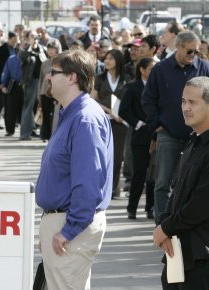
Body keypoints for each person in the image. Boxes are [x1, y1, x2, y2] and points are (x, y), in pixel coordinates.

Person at [153, 76, 209, 289]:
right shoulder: (196, 141)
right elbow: (177, 193)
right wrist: (164, 225)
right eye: (183, 101)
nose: (185, 107)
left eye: (192, 102)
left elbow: (201, 206)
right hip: (177, 249)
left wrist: (165, 228)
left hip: (201, 255)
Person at [36, 49, 113, 290]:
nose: (48, 77)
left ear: (72, 78)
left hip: (71, 225)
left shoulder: (84, 119)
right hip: (63, 223)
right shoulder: (73, 114)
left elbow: (88, 182)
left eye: (54, 72)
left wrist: (67, 231)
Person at [142, 31, 209, 223]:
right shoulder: (161, 70)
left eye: (197, 51)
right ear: (179, 46)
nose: (194, 55)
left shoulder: (206, 69)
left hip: (198, 136)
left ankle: (181, 224)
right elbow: (148, 99)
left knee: (190, 183)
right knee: (162, 183)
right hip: (168, 133)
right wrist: (157, 125)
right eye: (190, 51)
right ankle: (161, 225)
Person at [119, 57, 156, 219]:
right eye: (150, 69)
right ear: (142, 69)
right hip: (140, 135)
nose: (153, 72)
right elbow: (123, 110)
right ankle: (132, 208)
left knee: (154, 175)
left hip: (156, 134)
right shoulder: (132, 87)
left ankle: (150, 208)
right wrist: (138, 123)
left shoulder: (158, 87)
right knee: (139, 173)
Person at [91, 49, 130, 198]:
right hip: (103, 120)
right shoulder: (99, 78)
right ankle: (100, 187)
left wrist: (122, 115)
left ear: (118, 61)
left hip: (121, 122)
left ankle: (113, 189)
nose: (107, 61)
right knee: (101, 155)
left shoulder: (126, 79)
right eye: (106, 58)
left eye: (111, 59)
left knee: (117, 157)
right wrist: (108, 110)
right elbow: (91, 99)